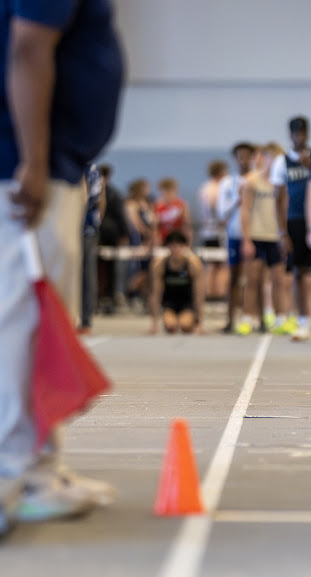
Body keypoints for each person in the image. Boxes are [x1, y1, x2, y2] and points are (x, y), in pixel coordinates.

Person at [0, 0, 123, 535]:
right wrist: (33, 158)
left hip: (54, 166)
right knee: (22, 326)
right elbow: (28, 49)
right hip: (30, 170)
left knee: (38, 324)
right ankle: (15, 476)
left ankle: (39, 469)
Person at [273, 116, 311, 342]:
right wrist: (282, 232)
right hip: (295, 221)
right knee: (297, 272)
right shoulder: (281, 161)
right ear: (290, 134)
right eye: (296, 133)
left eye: (303, 132)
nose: (300, 137)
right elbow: (278, 199)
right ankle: (303, 320)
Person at [239, 142, 288, 335]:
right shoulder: (252, 181)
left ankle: (280, 317)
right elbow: (245, 210)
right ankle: (249, 317)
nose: (273, 162)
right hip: (257, 236)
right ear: (263, 158)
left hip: (275, 237)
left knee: (278, 280)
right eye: (270, 158)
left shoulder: (281, 183)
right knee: (252, 279)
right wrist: (246, 239)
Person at [217, 142, 256, 333]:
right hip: (234, 234)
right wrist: (238, 199)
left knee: (254, 278)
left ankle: (253, 318)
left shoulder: (258, 180)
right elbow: (221, 212)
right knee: (234, 277)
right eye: (240, 156)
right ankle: (230, 319)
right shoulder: (227, 183)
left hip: (256, 234)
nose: (244, 160)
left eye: (248, 156)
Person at [148, 231, 205, 335]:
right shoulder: (160, 265)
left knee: (185, 326)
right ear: (168, 247)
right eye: (173, 246)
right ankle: (172, 319)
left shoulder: (193, 264)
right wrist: (154, 323)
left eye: (179, 246)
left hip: (187, 304)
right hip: (170, 304)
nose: (176, 249)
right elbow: (156, 293)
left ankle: (192, 321)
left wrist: (200, 322)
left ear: (184, 247)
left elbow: (199, 293)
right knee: (171, 326)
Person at [96, 163, 128, 314]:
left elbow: (121, 216)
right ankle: (101, 297)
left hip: (108, 235)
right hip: (100, 234)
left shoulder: (113, 193)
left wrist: (123, 234)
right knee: (101, 270)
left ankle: (109, 297)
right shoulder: (110, 192)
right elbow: (121, 216)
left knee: (110, 270)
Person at [78, 164, 106, 334]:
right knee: (88, 275)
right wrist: (97, 222)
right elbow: (102, 200)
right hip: (90, 227)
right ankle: (85, 320)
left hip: (80, 227)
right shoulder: (95, 169)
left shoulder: (78, 166)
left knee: (83, 275)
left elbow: (82, 198)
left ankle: (82, 319)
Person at [197, 159, 229, 301]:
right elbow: (213, 208)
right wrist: (222, 221)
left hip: (210, 231)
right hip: (214, 231)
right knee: (216, 264)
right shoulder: (213, 188)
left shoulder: (206, 187)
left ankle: (214, 293)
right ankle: (213, 294)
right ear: (220, 173)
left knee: (216, 264)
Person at [154, 177, 192, 246]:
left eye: (169, 191)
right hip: (163, 240)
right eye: (163, 192)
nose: (166, 194)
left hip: (177, 240)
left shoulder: (181, 205)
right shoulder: (158, 205)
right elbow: (156, 227)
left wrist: (188, 243)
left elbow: (187, 225)